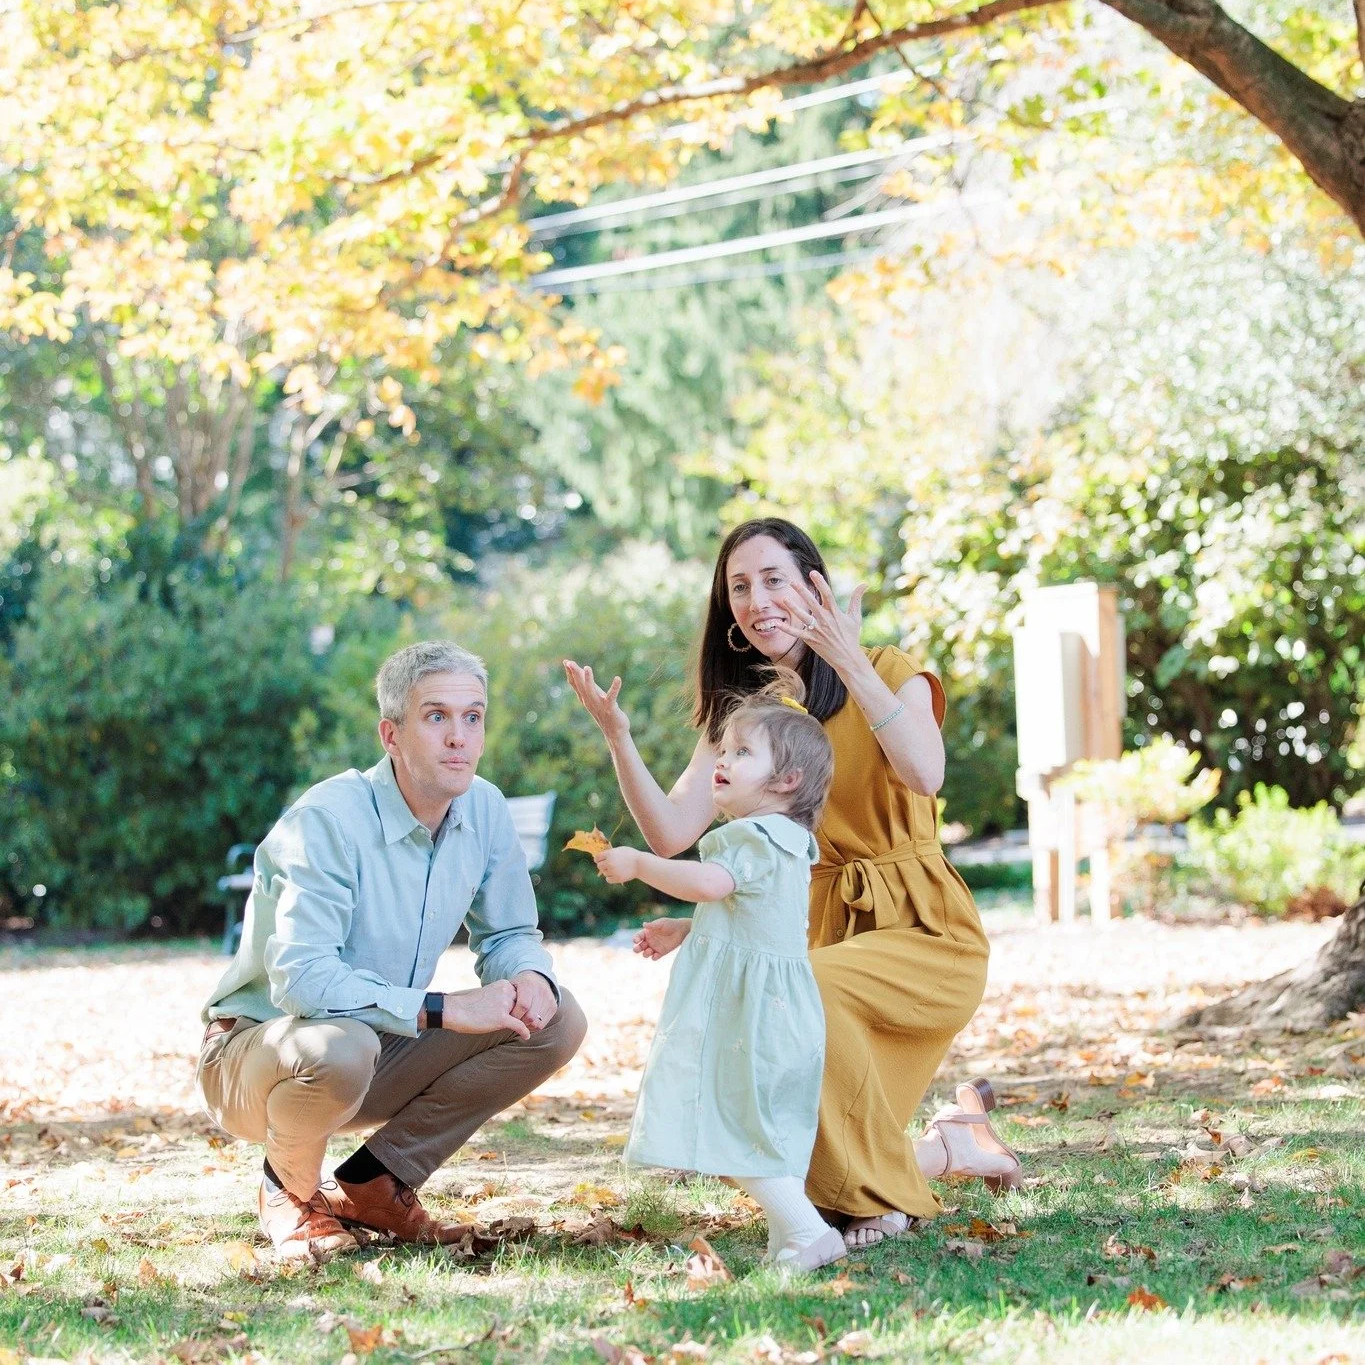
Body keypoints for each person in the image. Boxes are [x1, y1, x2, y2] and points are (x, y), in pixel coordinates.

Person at [565, 517, 1020, 1252]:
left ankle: (894, 1194)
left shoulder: (887, 668)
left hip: (920, 926)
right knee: (789, 1153)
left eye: (773, 578)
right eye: (738, 588)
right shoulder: (749, 722)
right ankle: (952, 1148)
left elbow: (924, 775)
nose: (755, 599)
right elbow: (669, 834)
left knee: (804, 1007)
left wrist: (850, 661)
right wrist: (618, 737)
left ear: (815, 585)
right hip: (810, 931)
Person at [198, 641, 587, 1260]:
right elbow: (302, 980)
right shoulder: (328, 819)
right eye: (436, 716)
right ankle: (291, 1190)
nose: (458, 737)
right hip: (261, 1055)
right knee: (339, 1045)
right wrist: (443, 1008)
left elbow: (511, 935)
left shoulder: (483, 808)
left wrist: (530, 977)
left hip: (375, 1047)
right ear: (392, 735)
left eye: (473, 717)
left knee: (557, 1018)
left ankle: (377, 1181)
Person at [597, 671, 846, 1271]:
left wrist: (640, 862)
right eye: (724, 748)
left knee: (727, 1119)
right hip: (778, 1013)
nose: (723, 760)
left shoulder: (753, 836)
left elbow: (713, 883)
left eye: (742, 753)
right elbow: (754, 915)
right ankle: (789, 1235)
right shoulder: (785, 838)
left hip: (751, 1014)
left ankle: (808, 1232)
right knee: (754, 1121)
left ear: (786, 781)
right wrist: (688, 930)